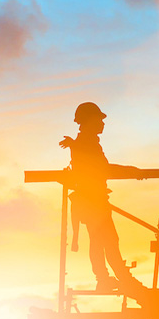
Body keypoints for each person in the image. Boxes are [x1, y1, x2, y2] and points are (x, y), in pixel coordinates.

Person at [59, 102, 141, 292]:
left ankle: (104, 278)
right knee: (110, 240)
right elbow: (103, 169)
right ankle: (121, 278)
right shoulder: (87, 144)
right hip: (93, 202)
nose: (103, 123)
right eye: (99, 119)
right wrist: (131, 171)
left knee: (98, 241)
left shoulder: (86, 142)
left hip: (91, 201)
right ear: (89, 121)